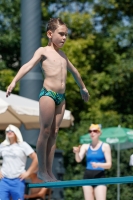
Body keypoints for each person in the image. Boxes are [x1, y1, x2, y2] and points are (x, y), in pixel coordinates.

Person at [6, 18, 90, 182]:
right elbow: (28, 65)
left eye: (66, 35)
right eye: (61, 34)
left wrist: (83, 87)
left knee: (54, 133)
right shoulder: (43, 51)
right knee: (45, 132)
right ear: (50, 34)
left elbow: (74, 71)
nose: (64, 38)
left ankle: (49, 172)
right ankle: (42, 171)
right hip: (48, 94)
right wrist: (14, 80)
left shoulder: (62, 55)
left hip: (61, 97)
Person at [73, 124, 112, 200]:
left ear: (99, 133)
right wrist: (77, 152)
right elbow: (78, 160)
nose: (92, 133)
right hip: (87, 176)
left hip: (100, 176)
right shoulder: (85, 146)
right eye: (90, 131)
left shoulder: (105, 146)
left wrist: (98, 164)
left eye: (95, 131)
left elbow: (109, 165)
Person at [0, 124, 38, 200]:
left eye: (11, 131)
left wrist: (28, 172)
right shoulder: (2, 145)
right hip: (4, 180)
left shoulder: (23, 145)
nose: (9, 132)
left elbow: (36, 158)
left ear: (16, 133)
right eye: (7, 131)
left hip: (18, 180)